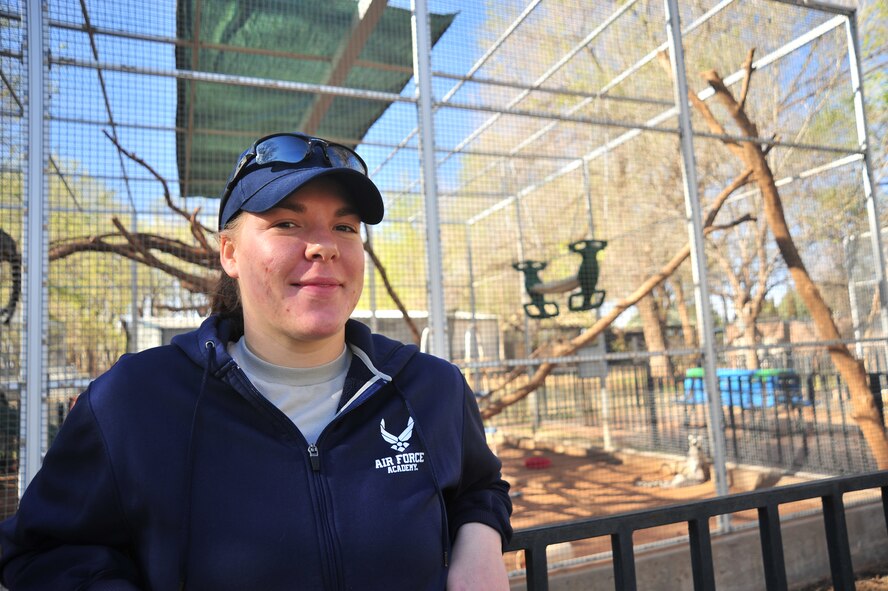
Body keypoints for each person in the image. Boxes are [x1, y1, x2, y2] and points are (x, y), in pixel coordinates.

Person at [0, 132, 512, 590]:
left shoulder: (432, 387)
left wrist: (481, 539)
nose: (323, 247)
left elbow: (479, 485)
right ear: (228, 252)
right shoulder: (133, 402)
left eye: (345, 227)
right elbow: (44, 549)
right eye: (287, 222)